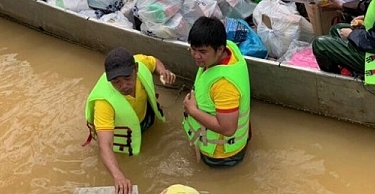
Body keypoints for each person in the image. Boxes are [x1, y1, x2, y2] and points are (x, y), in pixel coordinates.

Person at [84, 47, 176, 194]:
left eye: (127, 78)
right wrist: (117, 175)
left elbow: (154, 61)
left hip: (145, 117)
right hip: (123, 134)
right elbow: (105, 144)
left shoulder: (140, 61)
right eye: (116, 81)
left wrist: (163, 71)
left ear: (136, 68)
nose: (123, 86)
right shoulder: (104, 102)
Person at [183, 17, 251, 168]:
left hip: (221, 153)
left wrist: (192, 110)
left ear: (219, 49)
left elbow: (228, 129)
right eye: (193, 49)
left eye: (202, 51)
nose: (195, 55)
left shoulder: (224, 86)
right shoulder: (230, 48)